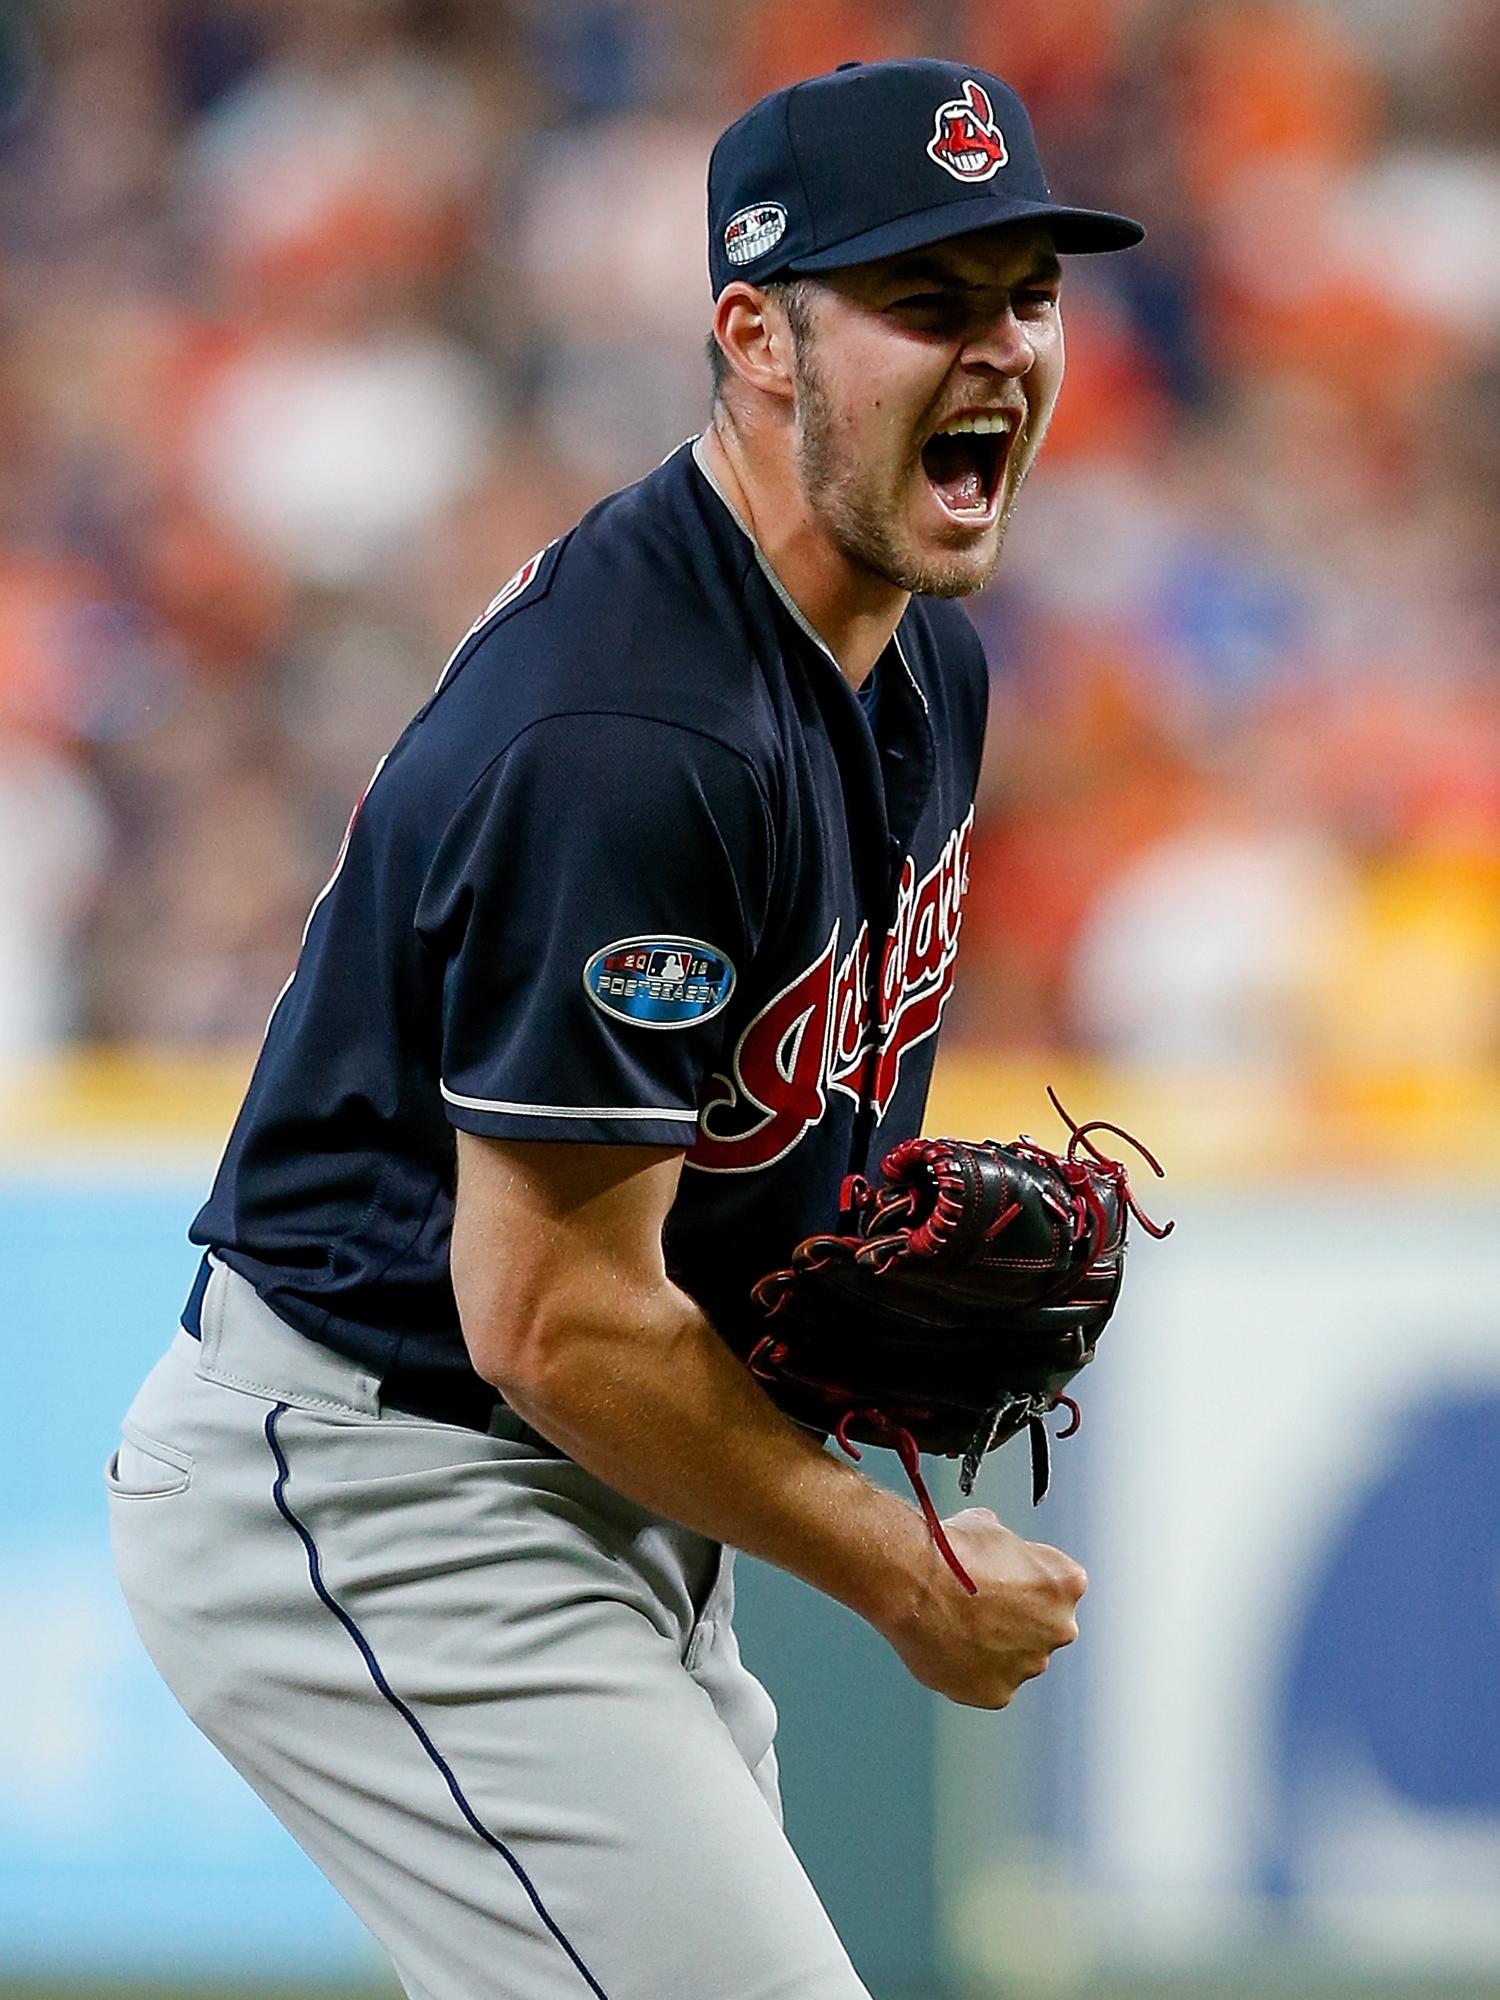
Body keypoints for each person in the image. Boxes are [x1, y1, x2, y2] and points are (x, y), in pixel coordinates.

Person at [106, 56, 1143, 2000]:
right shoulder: (632, 735)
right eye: (927, 300)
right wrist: (900, 1569)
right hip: (386, 1486)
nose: (1000, 346)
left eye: (1027, 290)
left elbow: (721, 1194)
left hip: (576, 1480)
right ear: (753, 334)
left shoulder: (928, 666)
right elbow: (553, 1311)